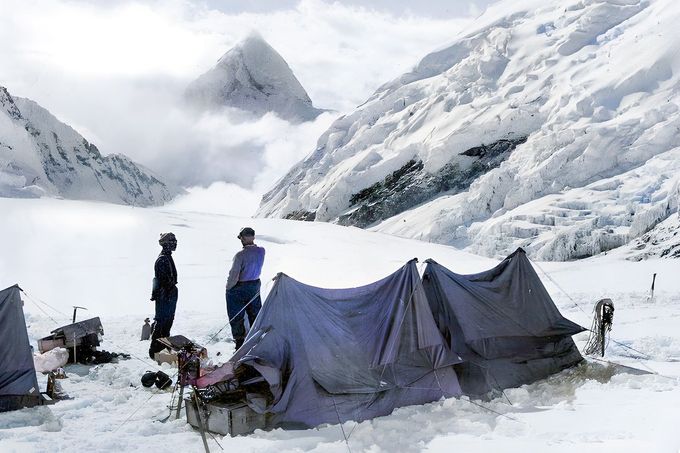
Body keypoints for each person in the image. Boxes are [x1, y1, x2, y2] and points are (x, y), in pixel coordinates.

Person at [226, 227, 265, 350]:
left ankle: (239, 341)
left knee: (236, 315)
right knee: (255, 313)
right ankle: (256, 340)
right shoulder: (261, 251)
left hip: (240, 288)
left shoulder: (240, 256)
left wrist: (228, 289)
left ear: (243, 238)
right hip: (255, 285)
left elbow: (234, 276)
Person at [149, 232, 178, 359]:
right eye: (172, 241)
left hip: (169, 294)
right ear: (165, 244)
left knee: (168, 321)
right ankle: (155, 349)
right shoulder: (162, 259)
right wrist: (166, 293)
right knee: (161, 321)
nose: (174, 243)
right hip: (165, 295)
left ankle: (162, 347)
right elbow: (163, 280)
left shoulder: (167, 257)